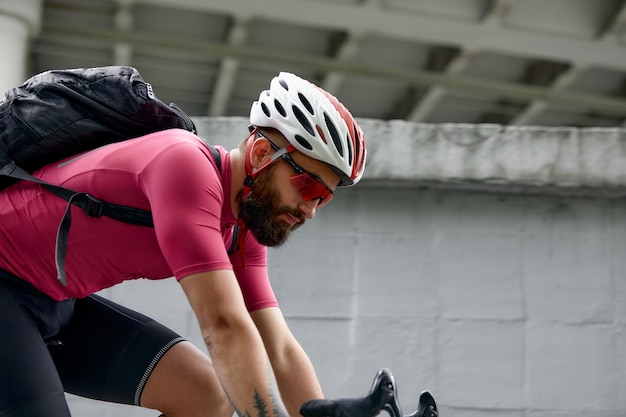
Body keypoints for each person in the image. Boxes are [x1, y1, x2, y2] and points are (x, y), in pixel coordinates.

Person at [0, 71, 366, 417]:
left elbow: (280, 349)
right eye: (309, 187)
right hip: (6, 289)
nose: (311, 209)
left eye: (324, 198)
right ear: (260, 155)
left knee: (207, 397)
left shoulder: (239, 228)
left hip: (57, 304)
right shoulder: (185, 164)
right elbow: (223, 326)